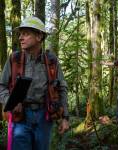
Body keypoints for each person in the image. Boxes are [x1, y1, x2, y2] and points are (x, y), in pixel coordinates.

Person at [0, 16, 69, 150]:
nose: (20, 37)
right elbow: (1, 86)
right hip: (19, 117)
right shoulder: (14, 59)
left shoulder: (51, 61)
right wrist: (11, 102)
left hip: (44, 117)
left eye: (25, 34)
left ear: (39, 36)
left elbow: (62, 88)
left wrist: (65, 117)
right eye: (20, 34)